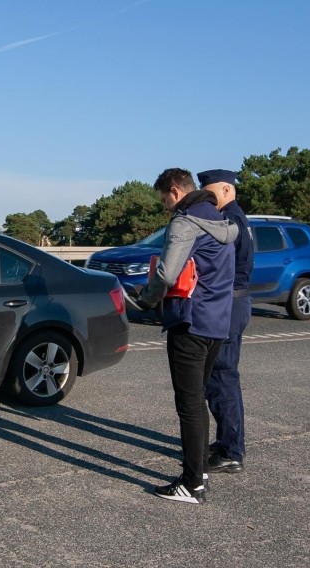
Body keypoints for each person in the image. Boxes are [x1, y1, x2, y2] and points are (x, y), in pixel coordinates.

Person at [134, 167, 238, 504]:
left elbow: (167, 273)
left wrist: (145, 300)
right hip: (217, 323)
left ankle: (192, 483)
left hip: (189, 323)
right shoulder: (223, 223)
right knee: (198, 402)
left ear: (176, 192)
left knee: (189, 405)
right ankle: (200, 470)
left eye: (165, 199)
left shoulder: (185, 222)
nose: (165, 206)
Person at [198, 169, 253, 474]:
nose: (207, 197)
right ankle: (226, 443)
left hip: (230, 303)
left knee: (222, 376)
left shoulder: (230, 220)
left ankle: (232, 450)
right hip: (235, 301)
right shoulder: (236, 216)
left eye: (210, 192)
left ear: (226, 190)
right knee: (220, 376)